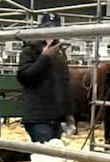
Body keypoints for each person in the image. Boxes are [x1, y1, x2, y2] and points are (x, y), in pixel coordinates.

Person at [16, 13, 73, 143]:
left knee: (53, 159)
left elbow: (64, 83)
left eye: (55, 29)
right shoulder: (30, 50)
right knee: (45, 157)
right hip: (38, 117)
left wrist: (68, 113)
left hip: (56, 117)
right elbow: (24, 77)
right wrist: (44, 57)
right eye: (48, 29)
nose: (52, 33)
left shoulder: (60, 52)